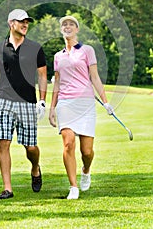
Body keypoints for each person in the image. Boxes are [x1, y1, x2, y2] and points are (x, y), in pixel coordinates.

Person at [49, 15, 114, 200]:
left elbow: (95, 77)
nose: (67, 26)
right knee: (68, 143)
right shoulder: (58, 56)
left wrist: (106, 101)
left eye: (71, 24)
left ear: (77, 29)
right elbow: (57, 84)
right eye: (64, 24)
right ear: (61, 30)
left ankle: (86, 170)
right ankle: (73, 187)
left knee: (87, 151)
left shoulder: (87, 50)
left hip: (85, 103)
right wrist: (52, 108)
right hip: (65, 103)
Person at [0, 9, 47, 199]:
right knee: (3, 143)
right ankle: (7, 188)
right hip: (4, 101)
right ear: (11, 24)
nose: (25, 24)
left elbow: (42, 75)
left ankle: (35, 168)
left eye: (27, 22)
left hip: (27, 102)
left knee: (31, 147)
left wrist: (42, 100)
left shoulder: (35, 48)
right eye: (21, 21)